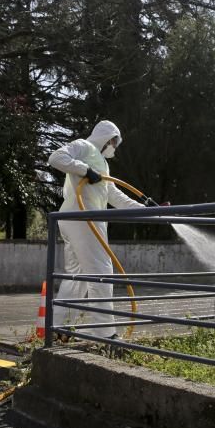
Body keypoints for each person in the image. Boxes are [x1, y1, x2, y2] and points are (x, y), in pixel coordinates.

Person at [48, 120, 145, 340]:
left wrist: (147, 210)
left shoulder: (102, 163)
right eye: (114, 141)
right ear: (106, 137)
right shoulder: (84, 146)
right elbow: (56, 158)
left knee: (77, 278)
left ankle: (58, 329)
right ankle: (105, 334)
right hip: (84, 219)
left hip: (74, 219)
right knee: (101, 272)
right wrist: (85, 170)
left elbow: (115, 196)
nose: (114, 146)